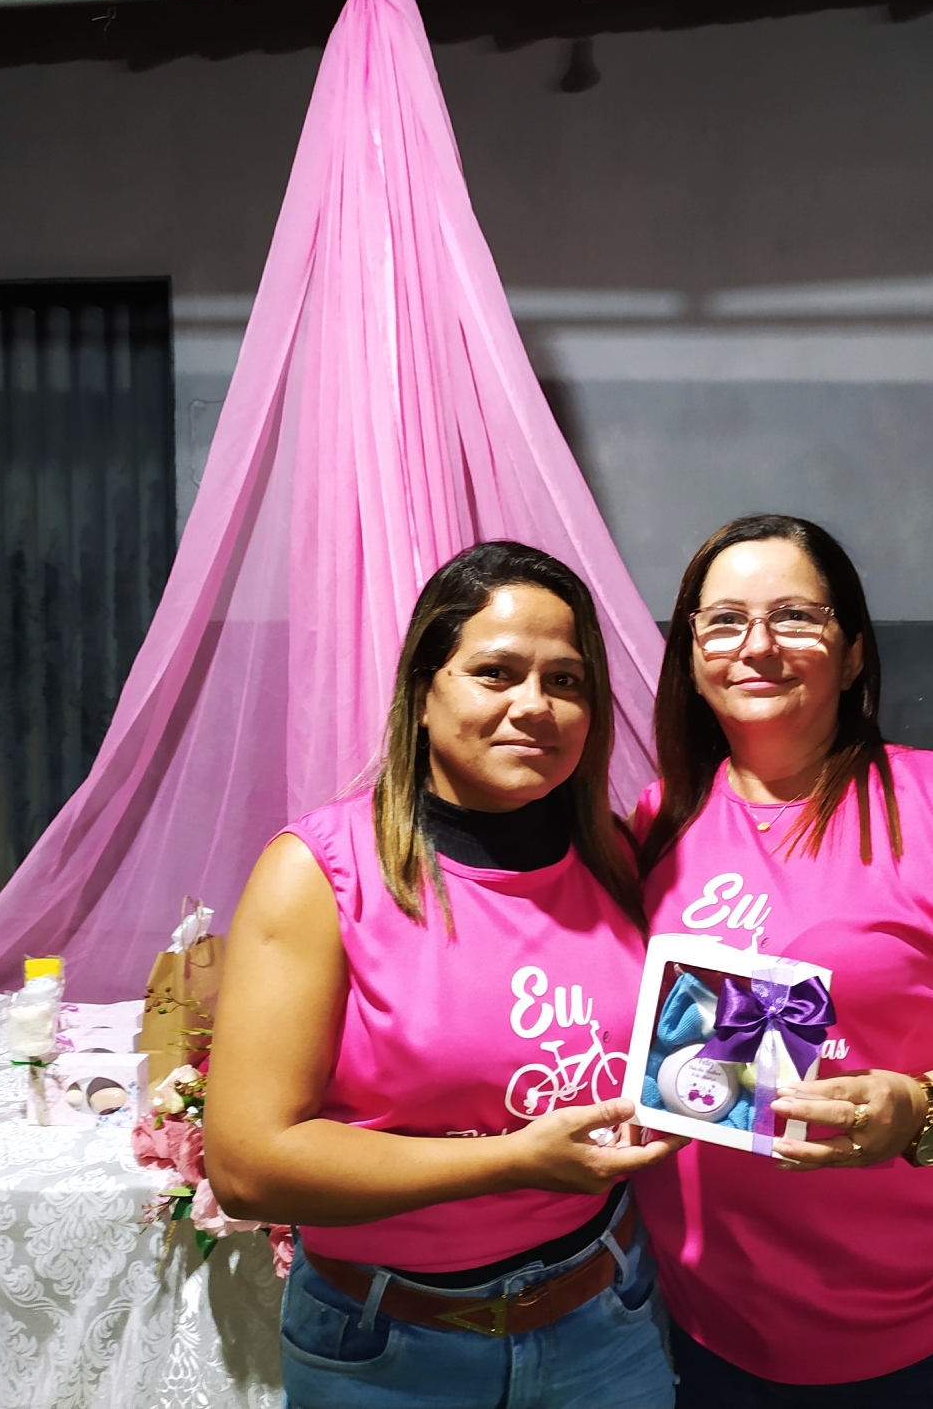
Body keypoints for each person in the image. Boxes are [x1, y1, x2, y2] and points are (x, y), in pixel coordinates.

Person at [632, 513, 933, 1408]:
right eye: (725, 620)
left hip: (929, 1319)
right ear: (692, 657)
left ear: (853, 653)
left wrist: (920, 1108)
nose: (758, 645)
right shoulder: (654, 823)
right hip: (710, 1319)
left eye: (796, 616)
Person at [205, 541, 685, 1409]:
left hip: (606, 1321)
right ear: (424, 694)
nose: (534, 705)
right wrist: (514, 1162)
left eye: (566, 681)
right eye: (495, 673)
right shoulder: (321, 873)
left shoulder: (615, 858)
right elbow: (248, 1168)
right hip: (391, 1349)